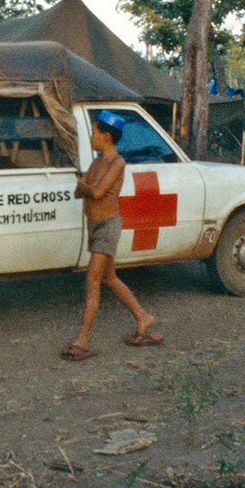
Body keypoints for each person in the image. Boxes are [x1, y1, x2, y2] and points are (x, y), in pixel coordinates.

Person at [60, 111, 162, 361]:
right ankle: (142, 317)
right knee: (110, 278)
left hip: (107, 226)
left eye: (94, 132)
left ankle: (82, 339)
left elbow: (94, 192)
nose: (92, 137)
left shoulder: (117, 163)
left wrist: (85, 185)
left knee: (92, 281)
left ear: (106, 136)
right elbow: (80, 191)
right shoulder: (97, 162)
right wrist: (86, 186)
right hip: (95, 226)